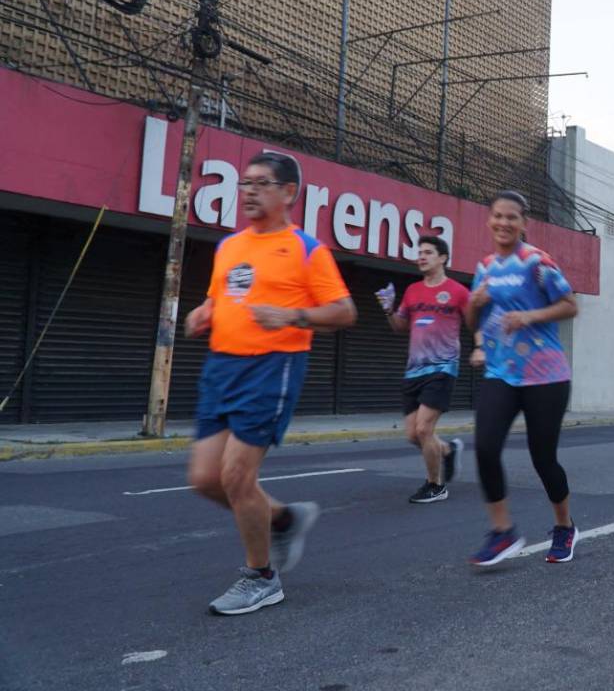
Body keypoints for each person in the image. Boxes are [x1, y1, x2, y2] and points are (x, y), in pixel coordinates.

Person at [185, 153, 357, 615]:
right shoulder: (229, 247)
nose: (250, 191)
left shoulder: (306, 249)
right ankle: (283, 518)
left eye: (262, 183)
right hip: (222, 365)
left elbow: (344, 311)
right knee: (204, 479)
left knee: (237, 475)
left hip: (272, 366)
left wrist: (291, 315)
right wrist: (204, 312)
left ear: (288, 193)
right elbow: (221, 295)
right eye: (246, 183)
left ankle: (260, 577)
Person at [465, 191, 580, 566]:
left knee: (543, 457)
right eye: (497, 216)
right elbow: (473, 323)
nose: (503, 223)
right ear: (489, 220)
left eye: (511, 217)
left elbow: (570, 305)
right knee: (484, 447)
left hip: (545, 375)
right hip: (502, 372)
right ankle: (502, 532)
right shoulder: (483, 268)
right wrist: (474, 305)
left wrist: (527, 317)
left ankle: (564, 526)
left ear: (523, 223)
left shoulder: (537, 262)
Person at [376, 236, 470, 504]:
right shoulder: (412, 291)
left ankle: (435, 485)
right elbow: (399, 326)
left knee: (424, 429)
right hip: (414, 370)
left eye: (428, 252)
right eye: (419, 252)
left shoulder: (458, 291)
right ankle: (448, 451)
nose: (421, 256)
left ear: (442, 258)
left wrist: (482, 347)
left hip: (442, 367)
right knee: (412, 434)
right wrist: (387, 309)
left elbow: (477, 320)